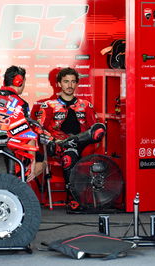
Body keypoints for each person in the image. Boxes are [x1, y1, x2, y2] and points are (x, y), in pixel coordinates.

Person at [37, 67, 105, 200]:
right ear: (59, 84)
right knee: (69, 154)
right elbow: (40, 130)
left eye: (73, 82)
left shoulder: (85, 105)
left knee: (100, 128)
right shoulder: (49, 105)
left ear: (77, 84)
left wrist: (78, 140)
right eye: (66, 81)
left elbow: (95, 130)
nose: (70, 85)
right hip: (58, 146)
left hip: (83, 145)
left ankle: (73, 141)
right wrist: (54, 141)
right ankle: (75, 199)